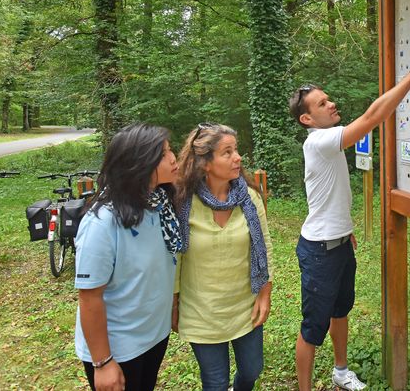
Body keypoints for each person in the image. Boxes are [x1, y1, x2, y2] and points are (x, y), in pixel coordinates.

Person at [288, 44, 410, 391]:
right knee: (313, 327)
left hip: (339, 243)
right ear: (307, 119)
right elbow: (372, 117)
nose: (331, 104)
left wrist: (346, 230)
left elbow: (331, 194)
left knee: (340, 311)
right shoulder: (318, 142)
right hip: (319, 251)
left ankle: (340, 372)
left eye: (328, 99)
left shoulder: (326, 141)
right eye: (322, 104)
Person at [74, 123, 181, 391]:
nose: (173, 158)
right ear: (139, 163)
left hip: (154, 335)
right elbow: (89, 297)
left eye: (170, 150)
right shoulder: (102, 222)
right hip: (118, 348)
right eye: (164, 154)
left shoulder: (160, 205)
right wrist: (103, 362)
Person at [173, 123, 273, 391]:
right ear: (205, 163)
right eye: (227, 152)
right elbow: (175, 258)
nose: (237, 157)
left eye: (236, 150)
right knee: (215, 382)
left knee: (252, 370)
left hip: (245, 306)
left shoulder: (250, 198)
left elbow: (265, 246)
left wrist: (265, 293)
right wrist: (173, 303)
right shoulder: (183, 202)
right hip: (201, 311)